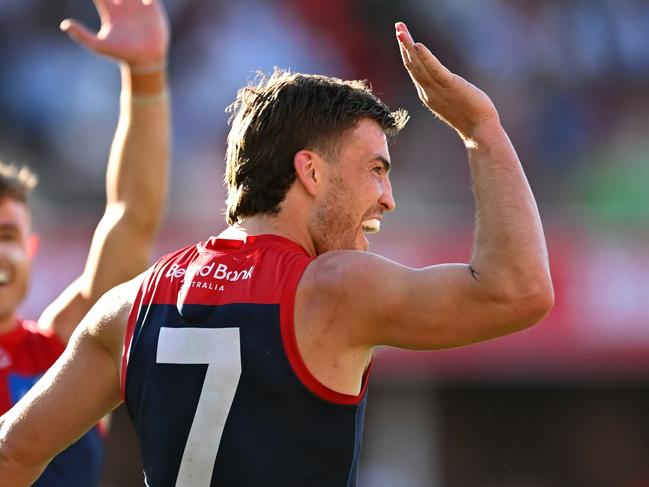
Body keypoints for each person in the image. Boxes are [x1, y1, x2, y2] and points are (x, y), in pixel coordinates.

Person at [0, 21, 553, 487]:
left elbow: (13, 454)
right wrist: (482, 128)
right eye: (376, 170)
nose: (388, 196)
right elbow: (518, 290)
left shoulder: (125, 307)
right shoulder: (334, 288)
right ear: (310, 171)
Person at [0, 0, 169, 485]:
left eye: (8, 235)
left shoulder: (61, 352)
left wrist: (147, 76)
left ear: (30, 251)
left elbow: (131, 219)